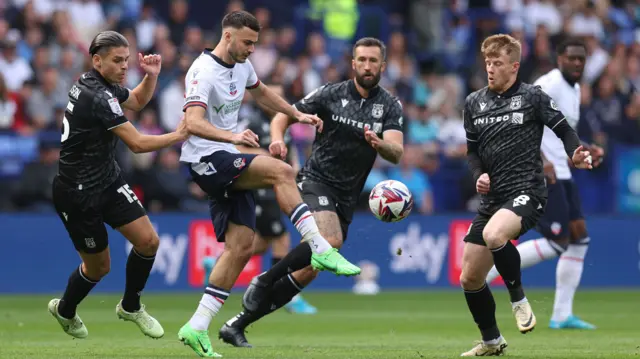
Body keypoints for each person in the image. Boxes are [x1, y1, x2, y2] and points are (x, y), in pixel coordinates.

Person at [176, 11, 360, 357]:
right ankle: (319, 247)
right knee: (282, 171)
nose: (251, 49)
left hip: (225, 158)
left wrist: (297, 114)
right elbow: (192, 123)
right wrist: (230, 135)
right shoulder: (202, 71)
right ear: (227, 37)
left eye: (255, 43)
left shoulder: (242, 66)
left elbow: (261, 95)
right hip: (206, 159)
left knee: (241, 248)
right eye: (247, 42)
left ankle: (196, 326)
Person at [218, 37, 405, 348]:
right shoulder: (331, 93)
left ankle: (237, 324)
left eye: (374, 61)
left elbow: (396, 152)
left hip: (346, 197)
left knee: (309, 272)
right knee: (330, 242)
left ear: (383, 66)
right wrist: (277, 138)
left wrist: (379, 143)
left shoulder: (389, 105)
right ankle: (263, 281)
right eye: (362, 60)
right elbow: (283, 114)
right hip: (316, 180)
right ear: (353, 63)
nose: (368, 66)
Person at [48, 31, 188, 340]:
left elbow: (136, 100)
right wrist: (178, 136)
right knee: (99, 268)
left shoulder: (101, 84)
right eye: (117, 61)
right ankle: (65, 310)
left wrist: (151, 76)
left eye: (126, 60)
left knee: (149, 242)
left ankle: (131, 306)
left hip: (107, 181)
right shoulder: (96, 95)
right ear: (97, 61)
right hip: (77, 193)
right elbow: (137, 144)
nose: (125, 67)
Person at [459, 34, 593, 356]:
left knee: (494, 235)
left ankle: (518, 298)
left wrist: (576, 151)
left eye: (498, 63)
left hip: (527, 191)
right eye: (488, 62)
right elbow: (473, 152)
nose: (490, 69)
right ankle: (492, 341)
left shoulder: (533, 97)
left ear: (515, 66)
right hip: (493, 199)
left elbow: (563, 129)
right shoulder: (473, 102)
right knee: (470, 277)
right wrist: (479, 176)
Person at [486, 37, 602, 330]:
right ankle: (486, 270)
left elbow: (561, 131)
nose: (577, 63)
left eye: (581, 59)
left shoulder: (573, 89)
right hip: (543, 173)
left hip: (562, 170)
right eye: (571, 58)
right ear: (558, 58)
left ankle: (562, 315)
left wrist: (584, 148)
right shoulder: (547, 84)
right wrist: (539, 159)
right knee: (558, 240)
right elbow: (520, 121)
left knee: (579, 239)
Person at [201, 83, 318, 315]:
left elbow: (290, 153)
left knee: (263, 244)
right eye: (273, 97)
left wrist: (294, 168)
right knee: (282, 239)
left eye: (281, 97)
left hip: (277, 186)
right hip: (260, 189)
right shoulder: (253, 123)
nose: (278, 102)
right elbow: (232, 149)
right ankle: (285, 294)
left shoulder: (284, 123)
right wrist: (264, 157)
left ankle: (216, 261)